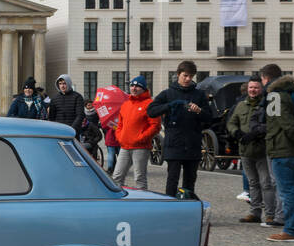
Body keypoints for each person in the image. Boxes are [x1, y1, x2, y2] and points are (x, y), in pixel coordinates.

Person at [146, 60, 214, 198]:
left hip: (193, 144)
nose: (188, 79)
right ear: (178, 75)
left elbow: (209, 118)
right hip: (174, 144)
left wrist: (199, 111)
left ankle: (188, 208)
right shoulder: (167, 93)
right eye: (185, 75)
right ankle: (170, 207)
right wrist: (169, 106)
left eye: (191, 76)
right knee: (172, 179)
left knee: (190, 181)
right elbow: (151, 111)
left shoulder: (199, 95)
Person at [260, 63, 294, 241]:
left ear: (266, 79)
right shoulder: (293, 93)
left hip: (281, 148)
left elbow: (285, 123)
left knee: (286, 191)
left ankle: (291, 230)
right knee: (293, 191)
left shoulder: (275, 96)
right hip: (293, 150)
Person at [228, 75, 278, 226]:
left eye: (256, 87)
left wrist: (257, 134)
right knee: (253, 183)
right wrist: (236, 132)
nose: (253, 90)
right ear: (247, 89)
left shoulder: (267, 104)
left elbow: (272, 124)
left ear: (261, 88)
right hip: (245, 151)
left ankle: (270, 214)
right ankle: (255, 212)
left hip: (262, 150)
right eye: (251, 87)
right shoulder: (241, 105)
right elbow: (231, 122)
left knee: (266, 183)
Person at [112, 76, 161, 190]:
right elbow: (120, 124)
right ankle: (117, 203)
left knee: (139, 178)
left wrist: (141, 138)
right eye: (132, 86)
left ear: (143, 89)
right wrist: (120, 137)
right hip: (125, 146)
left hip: (141, 147)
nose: (134, 88)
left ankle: (142, 204)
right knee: (116, 177)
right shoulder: (126, 104)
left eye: (138, 86)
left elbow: (155, 126)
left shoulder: (150, 104)